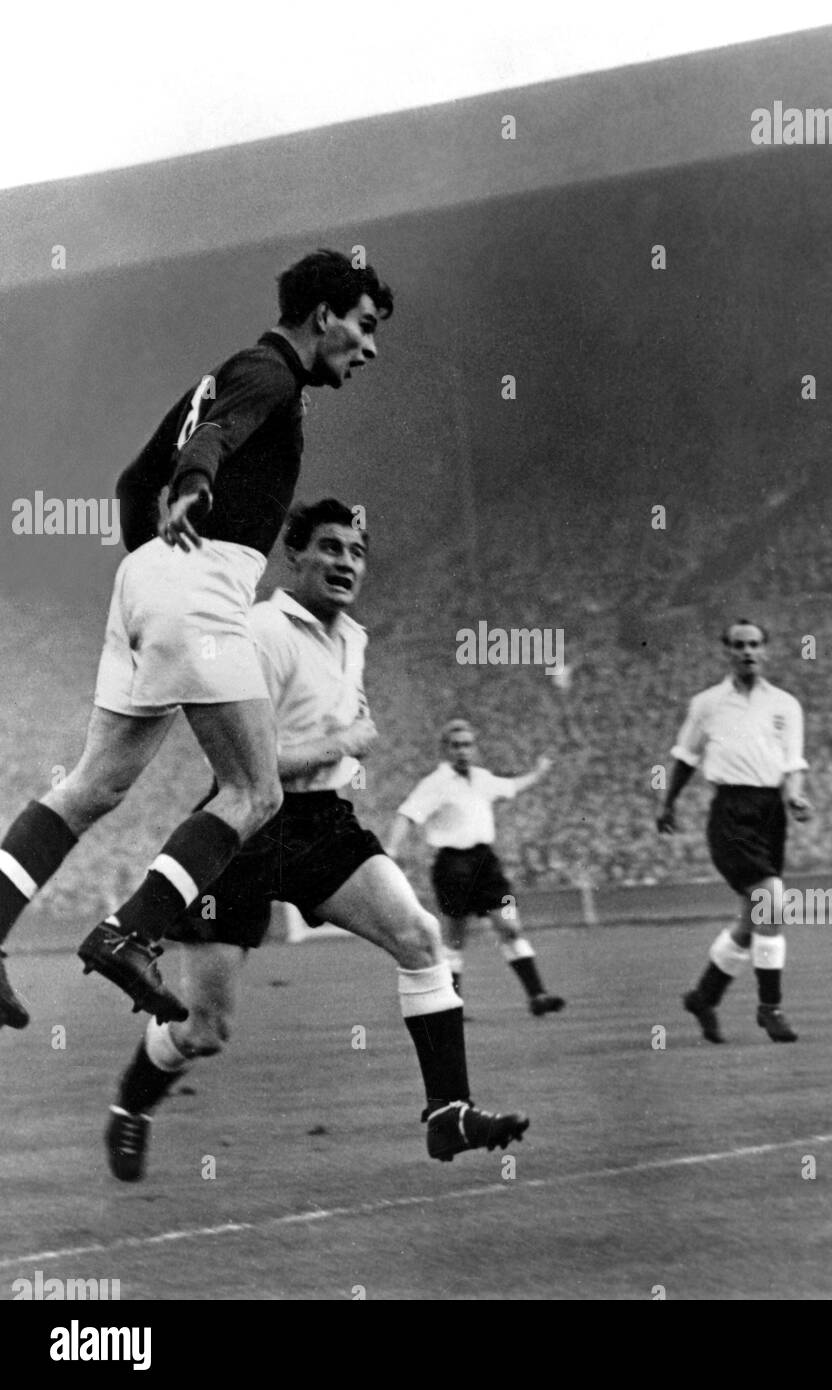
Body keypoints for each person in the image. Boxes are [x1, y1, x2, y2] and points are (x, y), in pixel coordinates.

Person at [0, 251, 392, 1029]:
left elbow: (127, 483)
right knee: (256, 790)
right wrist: (194, 489)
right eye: (364, 325)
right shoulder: (270, 372)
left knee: (92, 786)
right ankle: (130, 932)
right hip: (201, 580)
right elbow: (212, 438)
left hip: (149, 580)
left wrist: (152, 560)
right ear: (324, 317)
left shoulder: (226, 372)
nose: (370, 346)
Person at [104, 500, 528, 1180]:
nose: (345, 562)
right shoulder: (261, 632)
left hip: (321, 824)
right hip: (242, 826)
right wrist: (344, 742)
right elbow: (254, 762)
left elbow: (337, 739)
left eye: (356, 552)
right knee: (206, 1030)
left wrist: (344, 753)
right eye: (329, 548)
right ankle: (131, 1106)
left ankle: (447, 1111)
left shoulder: (352, 638)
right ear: (292, 556)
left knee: (419, 938)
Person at [656, 619, 812, 1043]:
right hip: (730, 811)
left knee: (753, 919)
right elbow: (686, 757)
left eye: (755, 644)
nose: (748, 651)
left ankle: (704, 997)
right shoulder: (707, 704)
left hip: (770, 813)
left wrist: (795, 798)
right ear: (726, 651)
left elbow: (793, 765)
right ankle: (770, 1008)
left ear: (766, 650)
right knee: (773, 902)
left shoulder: (786, 705)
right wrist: (668, 803)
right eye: (739, 645)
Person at [387, 723, 564, 1016]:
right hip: (452, 864)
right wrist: (391, 851)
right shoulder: (435, 783)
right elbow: (407, 814)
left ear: (475, 748)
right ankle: (451, 1005)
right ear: (445, 750)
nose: (462, 750)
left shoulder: (482, 778)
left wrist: (539, 772)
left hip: (486, 863)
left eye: (467, 744)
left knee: (510, 925)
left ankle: (538, 995)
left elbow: (512, 786)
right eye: (456, 745)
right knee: (456, 938)